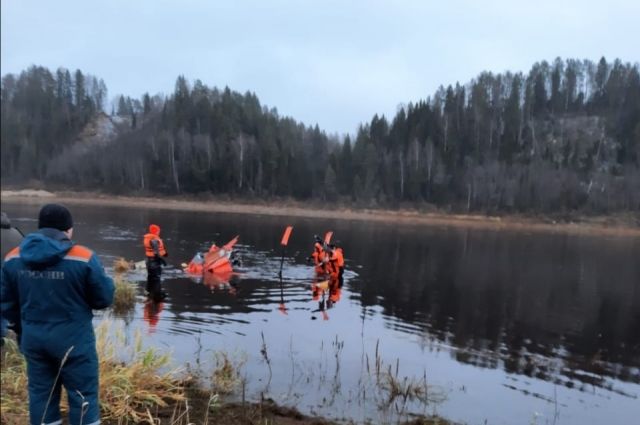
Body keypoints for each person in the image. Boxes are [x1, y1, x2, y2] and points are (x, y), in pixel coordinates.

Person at [0, 203, 114, 425]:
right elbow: (104, 299)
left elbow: (6, 303)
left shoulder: (13, 257)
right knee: (83, 398)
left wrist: (21, 327)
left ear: (40, 227)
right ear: (68, 229)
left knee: (41, 396)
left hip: (33, 339)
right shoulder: (83, 256)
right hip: (75, 342)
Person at [143, 224, 168, 301]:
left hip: (149, 262)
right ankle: (157, 296)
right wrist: (162, 260)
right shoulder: (154, 239)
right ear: (156, 231)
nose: (159, 232)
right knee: (156, 279)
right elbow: (156, 253)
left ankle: (148, 294)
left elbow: (157, 251)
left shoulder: (149, 238)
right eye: (158, 231)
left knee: (150, 278)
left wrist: (164, 254)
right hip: (154, 263)